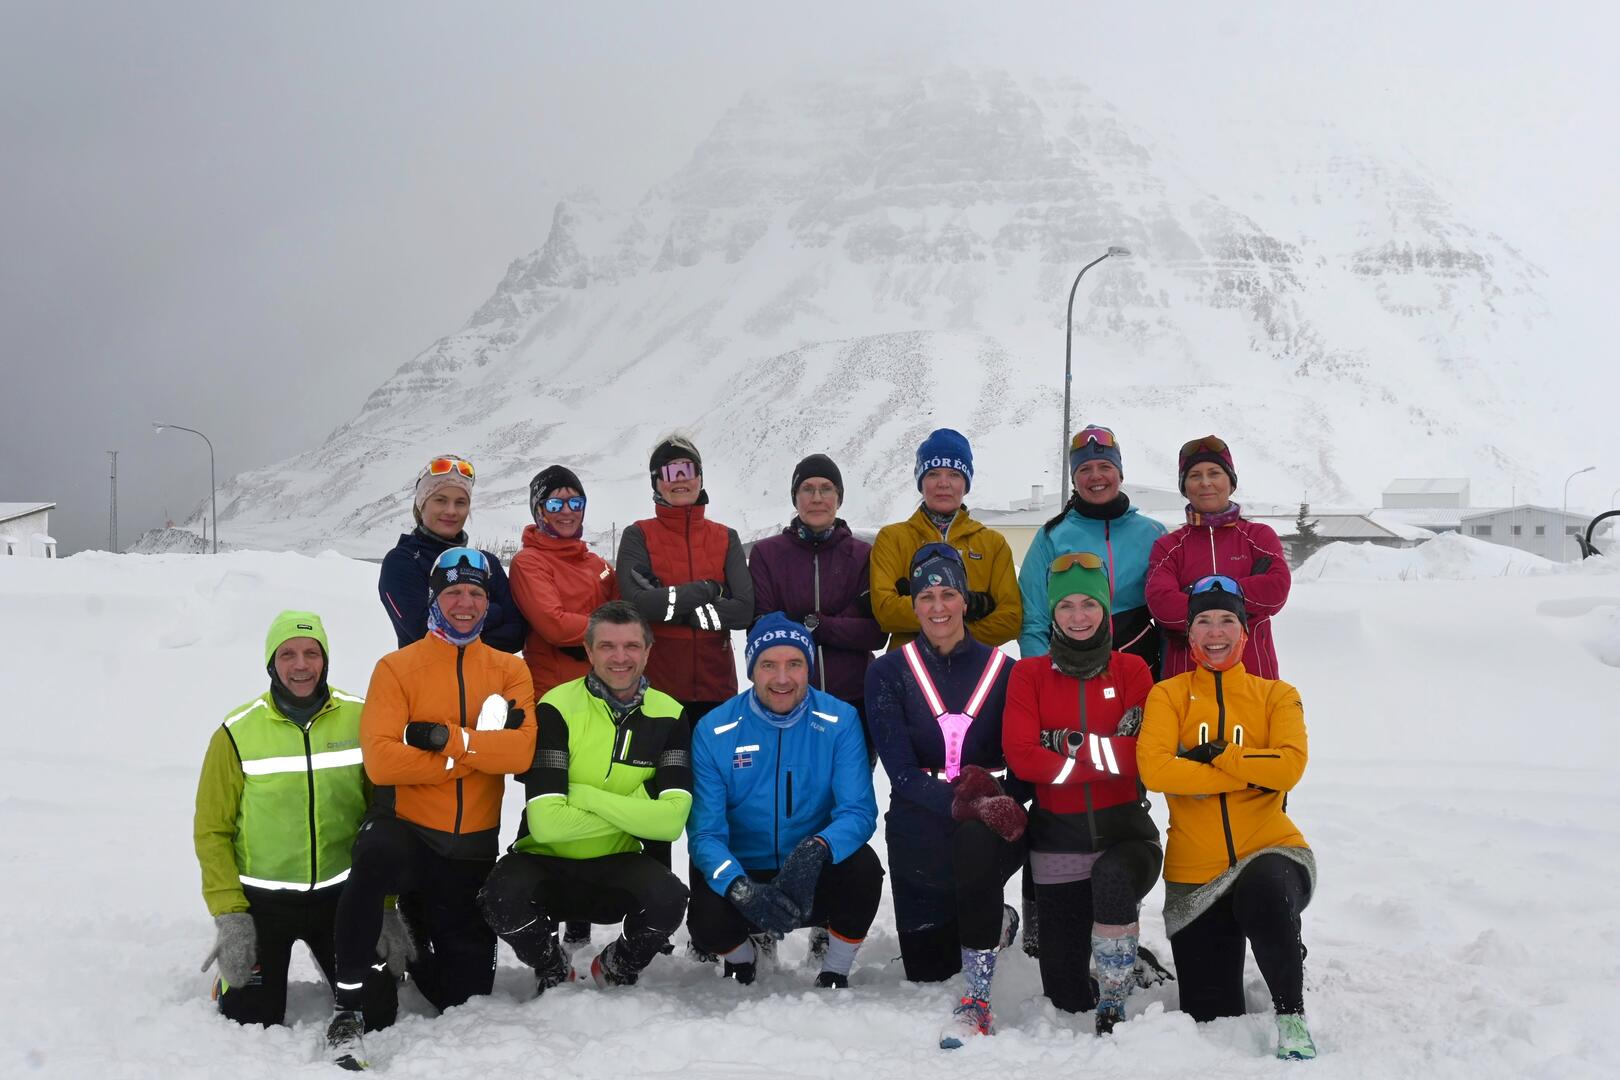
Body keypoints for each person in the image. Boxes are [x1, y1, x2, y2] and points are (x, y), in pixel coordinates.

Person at [325, 548, 537, 1071]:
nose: (465, 603)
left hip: (471, 847)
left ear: (488, 602)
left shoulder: (510, 670)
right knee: (373, 857)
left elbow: (520, 754)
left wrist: (446, 739)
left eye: (476, 593)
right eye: (453, 592)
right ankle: (347, 1006)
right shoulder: (397, 667)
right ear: (434, 599)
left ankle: (413, 925)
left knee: (462, 996)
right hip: (408, 831)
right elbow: (382, 762)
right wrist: (469, 757)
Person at [1136, 576, 1317, 1061]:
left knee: (1265, 891)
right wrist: (1250, 773)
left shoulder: (1277, 695)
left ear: (1245, 632)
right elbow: (1156, 770)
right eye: (1203, 621)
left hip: (1271, 848)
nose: (1215, 632)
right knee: (1211, 1015)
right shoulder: (1167, 695)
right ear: (1189, 634)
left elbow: (1289, 768)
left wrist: (1218, 754)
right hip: (1195, 874)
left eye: (1226, 621)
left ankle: (1291, 1016)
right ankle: (1269, 939)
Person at [194, 611, 400, 1031]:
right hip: (263, 902)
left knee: (378, 1012)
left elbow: (386, 818)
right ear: (271, 663)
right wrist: (230, 916)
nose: (301, 665)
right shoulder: (236, 733)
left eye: (311, 653)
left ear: (325, 660)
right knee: (251, 1017)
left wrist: (384, 906)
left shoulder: (362, 718)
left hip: (342, 897)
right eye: (287, 654)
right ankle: (235, 979)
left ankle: (338, 964)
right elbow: (212, 830)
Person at [478, 601, 691, 993]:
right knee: (498, 898)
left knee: (670, 899)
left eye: (631, 646)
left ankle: (617, 965)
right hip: (544, 859)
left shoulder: (671, 715)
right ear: (589, 651)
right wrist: (638, 807)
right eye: (607, 646)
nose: (620, 657)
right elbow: (546, 824)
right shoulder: (555, 708)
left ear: (648, 651)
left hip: (618, 862)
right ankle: (551, 964)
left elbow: (672, 823)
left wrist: (585, 796)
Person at [863, 544, 1025, 1049]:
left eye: (948, 594)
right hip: (918, 820)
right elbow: (900, 772)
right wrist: (961, 802)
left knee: (975, 864)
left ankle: (989, 915)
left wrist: (999, 803)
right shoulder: (887, 672)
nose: (938, 607)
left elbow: (1020, 760)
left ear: (965, 601)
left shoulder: (1005, 670)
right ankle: (995, 919)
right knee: (927, 969)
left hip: (984, 823)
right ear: (913, 606)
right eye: (926, 597)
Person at [1002, 554, 1161, 1035]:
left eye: (1089, 604)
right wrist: (1104, 755)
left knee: (1112, 878)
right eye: (1066, 605)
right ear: (1052, 612)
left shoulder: (1133, 670)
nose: (1078, 616)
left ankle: (1115, 992)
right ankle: (1111, 952)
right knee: (1065, 995)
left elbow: (1140, 757)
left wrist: (1067, 744)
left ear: (1105, 608)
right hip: (1058, 841)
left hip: (1126, 835)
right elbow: (1022, 757)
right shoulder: (1029, 674)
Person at [686, 613, 884, 990]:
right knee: (706, 911)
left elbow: (858, 811)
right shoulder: (714, 728)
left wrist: (817, 849)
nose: (782, 678)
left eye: (794, 664)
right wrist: (737, 885)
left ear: (808, 668)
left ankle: (835, 969)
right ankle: (743, 961)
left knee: (863, 868)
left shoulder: (840, 720)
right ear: (751, 670)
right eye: (768, 665)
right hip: (745, 868)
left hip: (810, 868)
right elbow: (705, 834)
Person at [508, 464, 619, 956]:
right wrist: (610, 632)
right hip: (554, 702)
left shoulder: (597, 563)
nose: (567, 511)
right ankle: (538, 926)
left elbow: (625, 611)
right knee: (548, 810)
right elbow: (552, 624)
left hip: (600, 700)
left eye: (575, 502)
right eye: (555, 503)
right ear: (539, 510)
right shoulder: (529, 562)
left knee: (591, 804)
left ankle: (579, 922)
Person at [616, 434, 754, 722]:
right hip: (656, 691)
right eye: (670, 471)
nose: (680, 479)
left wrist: (671, 607)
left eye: (687, 469)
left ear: (700, 478)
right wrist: (710, 589)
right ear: (656, 482)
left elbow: (743, 611)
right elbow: (638, 605)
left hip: (717, 690)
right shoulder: (638, 535)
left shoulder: (726, 537)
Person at [748, 453, 886, 740]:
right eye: (807, 489)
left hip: (853, 702)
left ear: (839, 497)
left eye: (826, 489)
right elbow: (761, 629)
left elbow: (875, 634)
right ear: (795, 497)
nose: (817, 498)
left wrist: (813, 624)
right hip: (786, 700)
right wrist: (842, 623)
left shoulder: (863, 555)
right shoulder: (767, 555)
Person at [1017, 426, 1166, 673]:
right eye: (1085, 469)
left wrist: (1168, 676)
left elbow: (1167, 618)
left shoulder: (1152, 533)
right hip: (1071, 671)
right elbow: (1033, 619)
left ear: (1120, 474)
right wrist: (1042, 678)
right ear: (1074, 480)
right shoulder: (1052, 536)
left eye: (1105, 466)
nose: (1096, 476)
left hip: (1139, 670)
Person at [1146, 436, 1290, 679]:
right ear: (1184, 488)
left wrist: (1194, 594)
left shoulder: (1259, 536)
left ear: (1230, 482)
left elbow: (1276, 591)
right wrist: (1241, 602)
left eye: (1214, 473)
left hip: (1253, 678)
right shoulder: (1168, 546)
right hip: (1186, 680)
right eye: (1195, 476)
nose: (1205, 483)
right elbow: (1162, 606)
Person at [869, 428, 1021, 652]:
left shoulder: (992, 544)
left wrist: (918, 603)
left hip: (974, 667)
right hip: (907, 665)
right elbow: (885, 612)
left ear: (965, 484)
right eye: (933, 474)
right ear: (921, 482)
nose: (943, 483)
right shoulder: (892, 539)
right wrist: (969, 606)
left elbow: (1011, 619)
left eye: (954, 474)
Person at [377, 454, 527, 653]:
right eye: (441, 500)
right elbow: (424, 632)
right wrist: (495, 612)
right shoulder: (402, 562)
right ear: (422, 505)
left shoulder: (486, 562)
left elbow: (516, 634)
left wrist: (455, 623)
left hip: (490, 675)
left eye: (460, 502)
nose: (451, 511)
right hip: (426, 673)